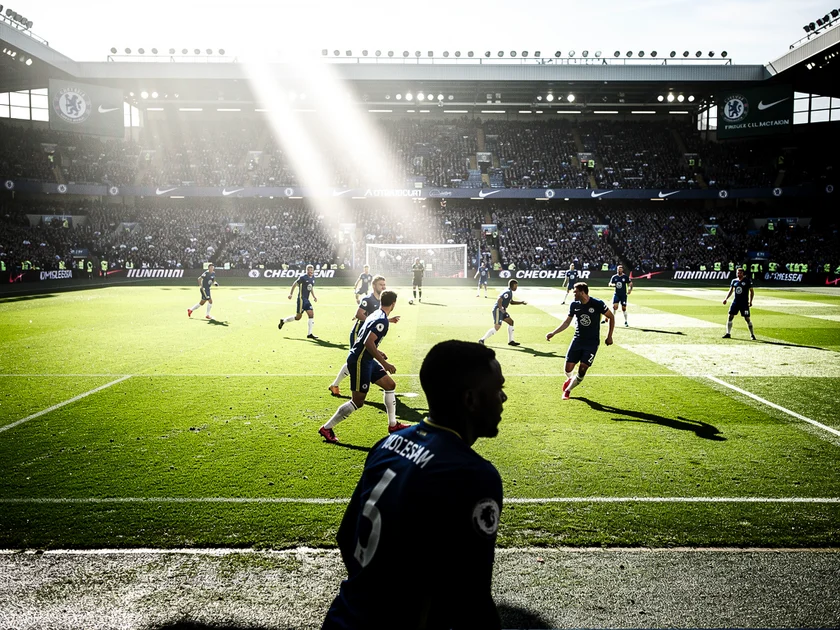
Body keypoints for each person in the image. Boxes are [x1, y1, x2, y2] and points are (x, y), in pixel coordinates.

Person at [321, 340, 505, 630]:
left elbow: (346, 536)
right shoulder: (474, 474)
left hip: (342, 619)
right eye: (497, 389)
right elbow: (474, 598)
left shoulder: (386, 444)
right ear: (470, 399)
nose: (503, 398)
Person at [319, 290, 409, 443]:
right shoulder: (382, 320)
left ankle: (393, 425)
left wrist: (377, 351)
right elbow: (368, 342)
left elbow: (362, 335)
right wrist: (384, 363)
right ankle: (326, 428)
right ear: (393, 304)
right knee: (358, 402)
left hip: (365, 358)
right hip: (360, 360)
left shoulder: (375, 314)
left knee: (390, 384)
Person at [329, 275, 400, 397]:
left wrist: (388, 320)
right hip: (359, 332)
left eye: (384, 284)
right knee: (357, 358)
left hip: (368, 333)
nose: (383, 287)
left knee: (360, 359)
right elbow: (359, 314)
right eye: (380, 285)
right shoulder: (368, 299)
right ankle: (336, 384)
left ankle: (336, 384)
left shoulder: (381, 301)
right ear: (374, 286)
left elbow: (377, 321)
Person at [546, 282, 614, 400]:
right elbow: (567, 322)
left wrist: (609, 336)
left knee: (582, 369)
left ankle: (568, 391)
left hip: (592, 343)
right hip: (577, 340)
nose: (574, 294)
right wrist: (553, 332)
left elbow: (611, 316)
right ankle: (570, 379)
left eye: (575, 292)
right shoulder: (574, 305)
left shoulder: (597, 303)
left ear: (582, 292)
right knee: (568, 369)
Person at [478, 279, 526, 347]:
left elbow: (511, 302)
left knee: (511, 322)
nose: (516, 287)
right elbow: (499, 299)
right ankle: (482, 339)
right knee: (496, 328)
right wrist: (500, 308)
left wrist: (521, 302)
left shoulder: (509, 291)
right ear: (512, 285)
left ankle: (511, 341)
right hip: (498, 310)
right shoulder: (507, 292)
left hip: (502, 310)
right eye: (516, 286)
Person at [278, 264, 319, 339]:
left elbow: (310, 287)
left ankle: (310, 334)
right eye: (309, 270)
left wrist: (314, 296)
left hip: (306, 300)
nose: (311, 271)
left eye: (312, 270)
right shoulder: (302, 278)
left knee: (311, 314)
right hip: (301, 299)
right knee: (298, 317)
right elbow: (294, 284)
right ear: (307, 270)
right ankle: (283, 321)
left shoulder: (313, 277)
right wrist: (290, 294)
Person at [722, 267, 756, 340]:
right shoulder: (734, 281)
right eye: (737, 273)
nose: (738, 274)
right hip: (736, 302)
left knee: (747, 319)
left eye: (740, 273)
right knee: (730, 316)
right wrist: (726, 298)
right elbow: (731, 290)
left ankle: (752, 334)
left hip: (744, 303)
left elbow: (752, 291)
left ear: (743, 273)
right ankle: (728, 333)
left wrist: (750, 301)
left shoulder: (747, 281)